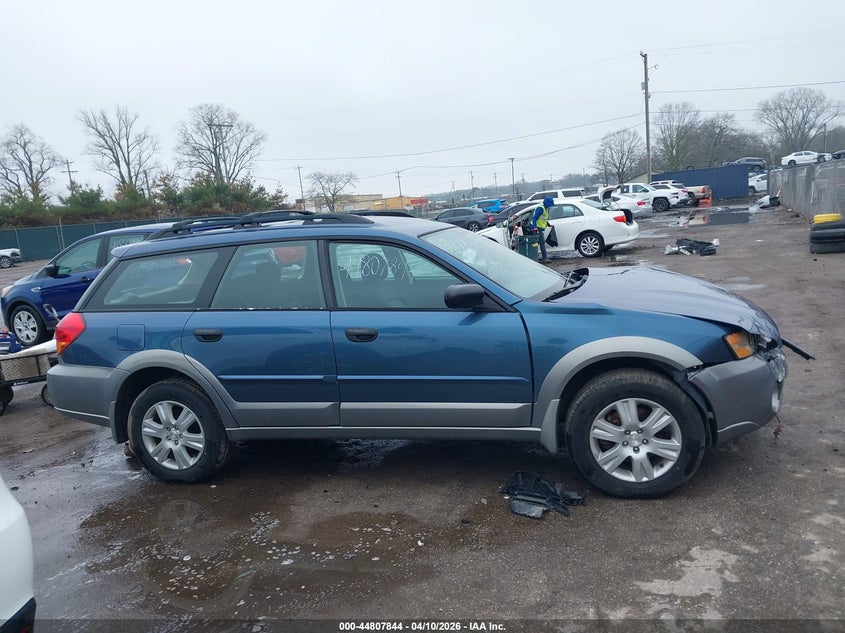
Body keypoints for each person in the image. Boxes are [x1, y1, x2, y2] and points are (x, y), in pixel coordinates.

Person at [530, 196, 554, 263]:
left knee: (538, 243)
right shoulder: (540, 208)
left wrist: (549, 225)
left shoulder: (545, 208)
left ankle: (536, 257)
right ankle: (543, 258)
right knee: (540, 243)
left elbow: (543, 219)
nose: (550, 206)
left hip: (539, 228)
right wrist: (534, 227)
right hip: (536, 229)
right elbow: (534, 218)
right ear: (546, 203)